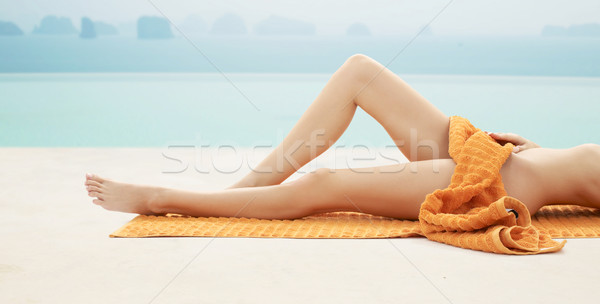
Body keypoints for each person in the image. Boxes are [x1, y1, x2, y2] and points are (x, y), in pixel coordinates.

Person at [85, 54, 600, 220]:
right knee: (359, 72)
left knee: (328, 183)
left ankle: (165, 198)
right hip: (498, 157)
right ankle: (238, 192)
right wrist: (532, 144)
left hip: (496, 187)